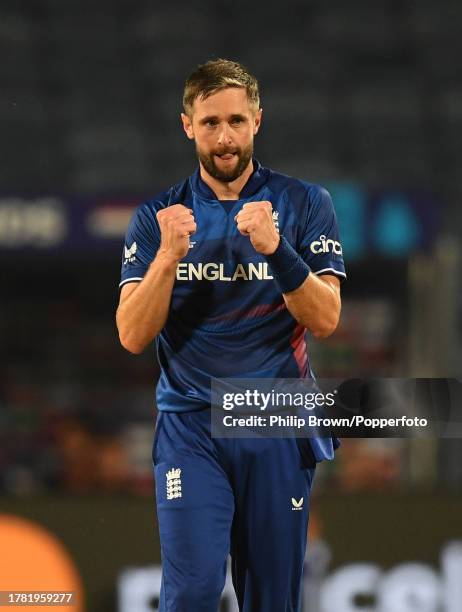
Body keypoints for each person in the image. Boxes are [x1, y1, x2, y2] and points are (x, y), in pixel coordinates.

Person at [116, 58, 346, 612]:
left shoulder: (305, 204)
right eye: (212, 122)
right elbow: (131, 334)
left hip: (273, 416)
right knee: (192, 590)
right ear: (187, 125)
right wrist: (168, 258)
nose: (225, 137)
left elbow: (327, 318)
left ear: (258, 122)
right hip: (190, 423)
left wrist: (276, 249)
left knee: (272, 598)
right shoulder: (157, 219)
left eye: (237, 121)